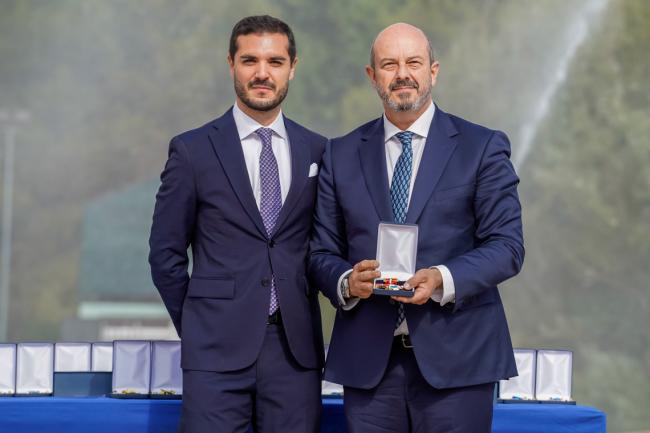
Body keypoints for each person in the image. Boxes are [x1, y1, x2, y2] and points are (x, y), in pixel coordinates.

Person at [309, 22, 524, 433]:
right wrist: (347, 281)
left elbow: (507, 246)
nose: (402, 74)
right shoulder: (340, 154)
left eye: (414, 62)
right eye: (389, 64)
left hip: (458, 363)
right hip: (369, 367)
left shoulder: (481, 147)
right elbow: (320, 252)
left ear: (433, 71)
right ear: (372, 76)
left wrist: (442, 278)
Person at [149, 15, 326, 433]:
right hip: (214, 357)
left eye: (275, 62)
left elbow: (324, 247)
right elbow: (165, 256)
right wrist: (200, 323)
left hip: (294, 356)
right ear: (231, 63)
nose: (262, 73)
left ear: (293, 67)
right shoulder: (192, 151)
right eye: (250, 60)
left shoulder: (320, 150)